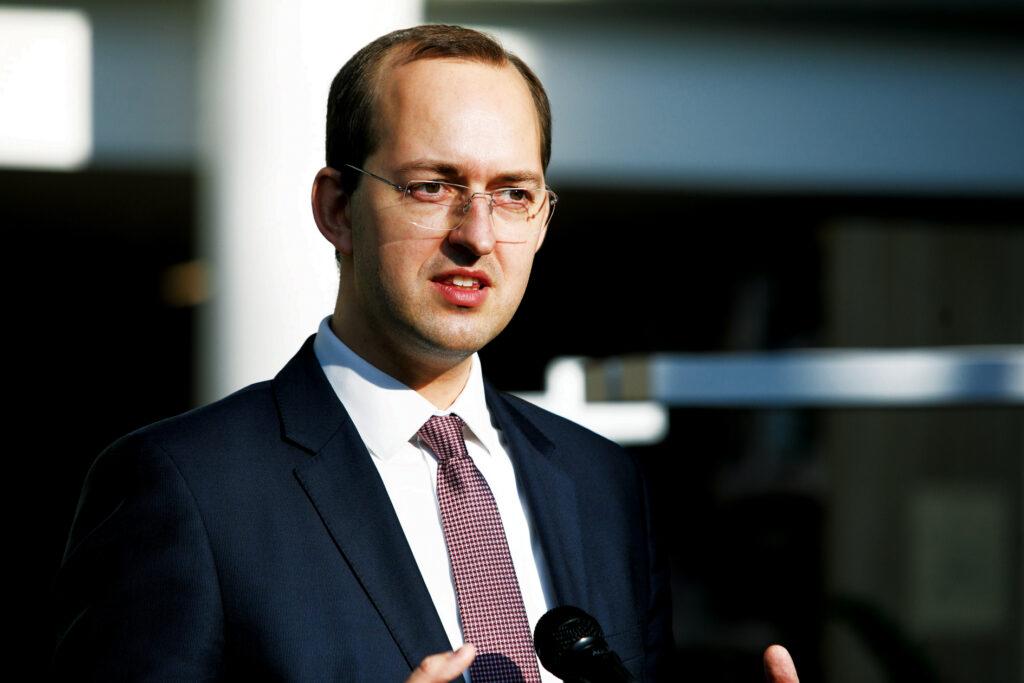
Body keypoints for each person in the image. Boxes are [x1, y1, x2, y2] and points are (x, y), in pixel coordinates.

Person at [53, 24, 799, 683]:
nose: (477, 233)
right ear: (337, 208)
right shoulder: (187, 487)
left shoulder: (604, 486)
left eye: (513, 193)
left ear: (543, 220)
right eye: (432, 186)